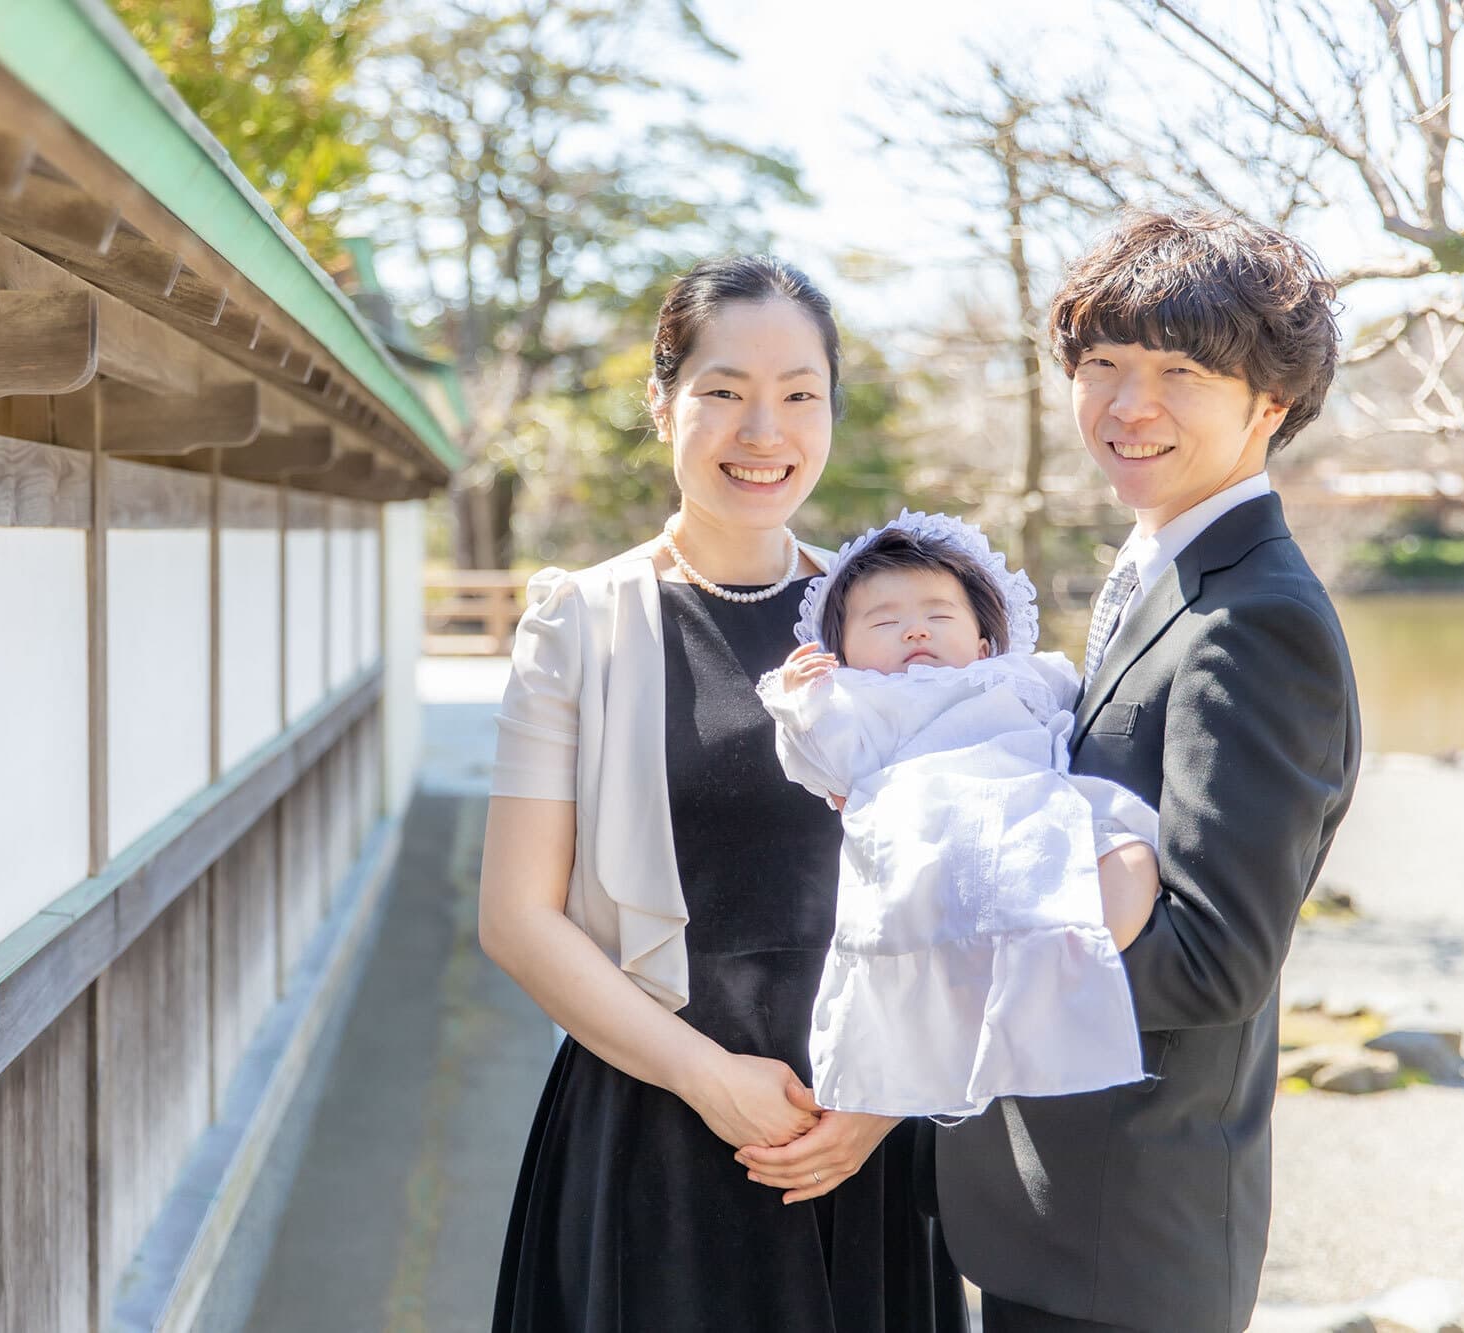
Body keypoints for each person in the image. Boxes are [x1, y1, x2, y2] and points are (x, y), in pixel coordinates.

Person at [479, 255, 963, 1332]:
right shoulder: (578, 625)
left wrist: (884, 1102)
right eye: (724, 391)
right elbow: (515, 918)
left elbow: (964, 889)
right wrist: (707, 1077)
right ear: (663, 403)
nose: (763, 431)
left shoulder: (891, 619)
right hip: (654, 1123)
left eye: (799, 394)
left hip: (864, 1125)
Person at [925, 209, 1362, 1332]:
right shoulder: (1162, 569)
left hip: (1126, 1242)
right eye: (1104, 366)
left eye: (1180, 374)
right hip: (1064, 1221)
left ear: (1270, 403)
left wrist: (955, 976)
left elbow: (1213, 960)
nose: (1129, 406)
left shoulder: (1253, 619)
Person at [754, 512, 1161, 1121]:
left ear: (983, 643)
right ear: (843, 656)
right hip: (931, 828)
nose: (915, 630)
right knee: (933, 924)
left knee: (1129, 850)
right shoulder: (862, 701)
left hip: (1032, 812)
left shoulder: (1019, 674)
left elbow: (1076, 719)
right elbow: (821, 764)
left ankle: (1064, 966)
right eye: (884, 622)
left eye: (939, 616)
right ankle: (980, 1008)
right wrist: (800, 703)